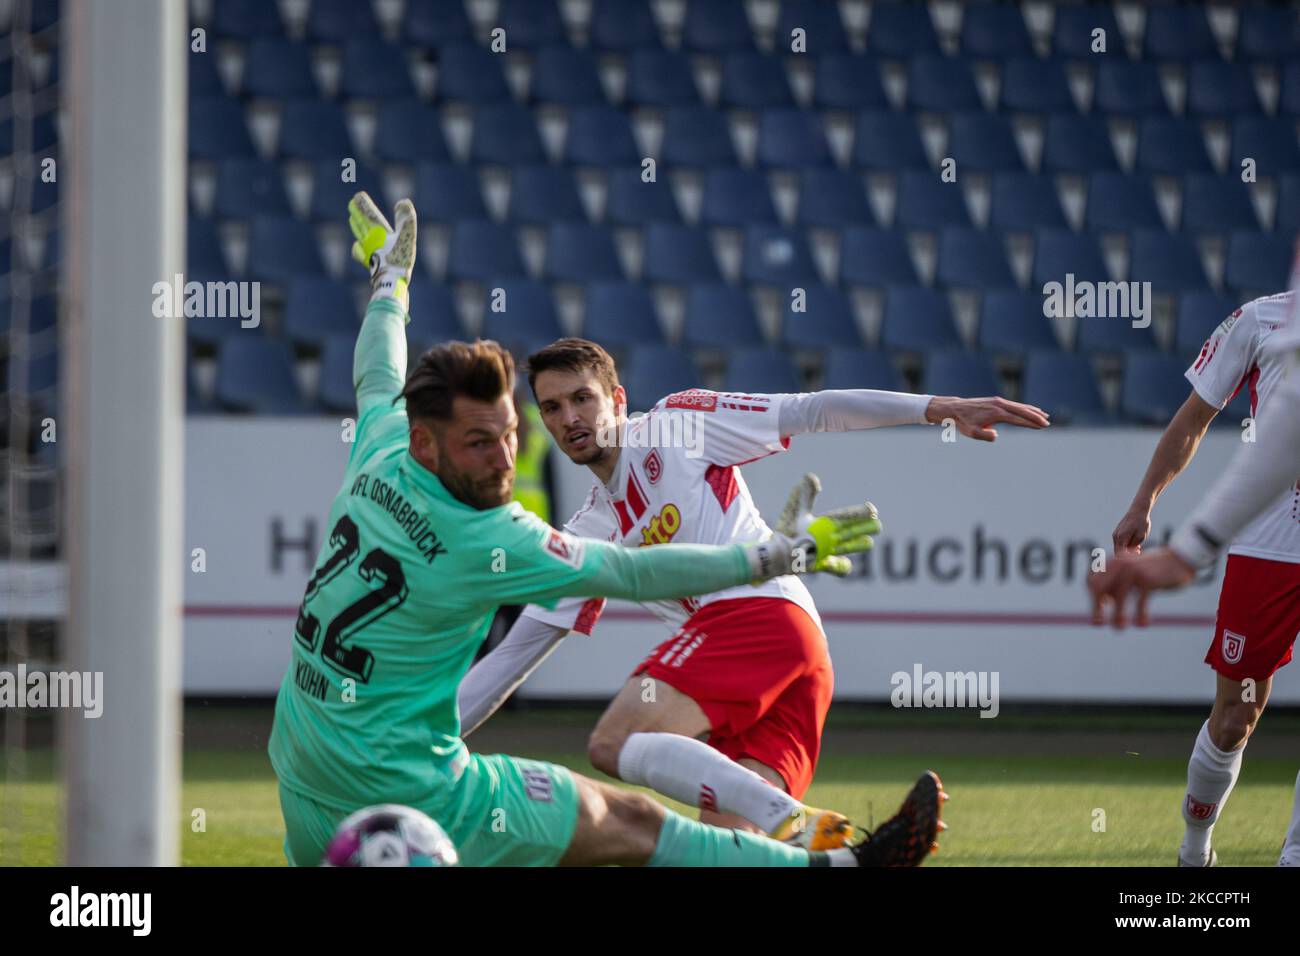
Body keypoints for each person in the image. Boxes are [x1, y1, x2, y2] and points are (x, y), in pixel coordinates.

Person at [267, 192, 943, 867]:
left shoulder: (383, 449)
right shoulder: (510, 535)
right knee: (720, 845)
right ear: (428, 444)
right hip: (767, 639)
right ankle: (828, 847)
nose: (509, 455)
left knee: (617, 753)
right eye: (490, 438)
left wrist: (390, 286)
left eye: (513, 434)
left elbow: (378, 373)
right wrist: (763, 557)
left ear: (618, 398)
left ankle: (826, 846)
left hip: (307, 757)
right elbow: (556, 625)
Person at [459, 337, 1046, 847]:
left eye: (582, 398)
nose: (569, 418)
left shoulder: (674, 424)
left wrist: (936, 408)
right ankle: (852, 852)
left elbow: (810, 410)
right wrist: (426, 740)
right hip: (790, 660)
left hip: (759, 618)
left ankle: (794, 820)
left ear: (617, 399)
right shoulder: (586, 531)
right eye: (552, 407)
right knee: (730, 853)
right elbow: (516, 652)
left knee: (617, 741)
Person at [1091, 289, 1300, 867]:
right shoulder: (1262, 318)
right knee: (1236, 715)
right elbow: (1196, 415)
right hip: (1269, 544)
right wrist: (1144, 502)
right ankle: (1195, 850)